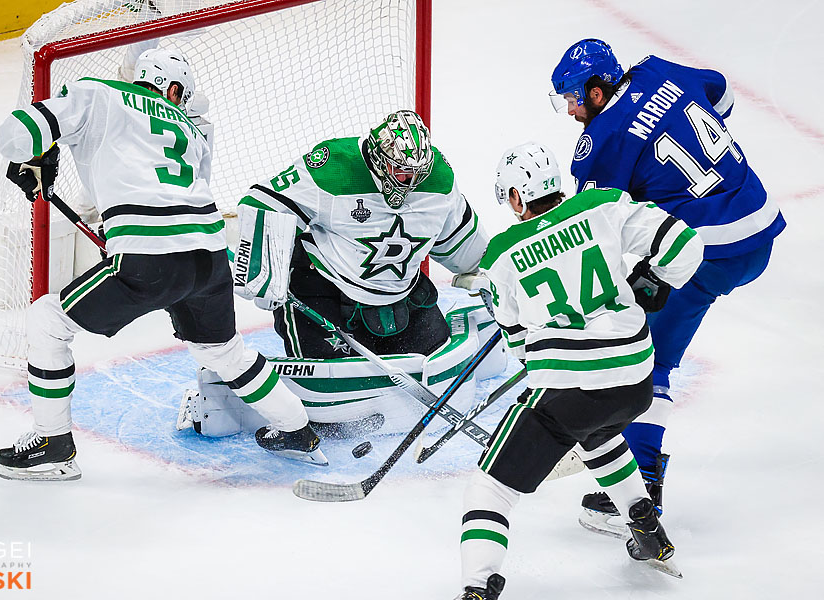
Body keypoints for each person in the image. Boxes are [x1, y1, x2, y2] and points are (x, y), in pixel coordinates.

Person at [0, 47, 326, 481]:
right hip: (209, 257)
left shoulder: (97, 93)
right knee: (223, 351)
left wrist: (38, 153)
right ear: (172, 90)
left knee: (46, 321)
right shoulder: (192, 129)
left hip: (149, 258)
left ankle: (52, 443)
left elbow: (15, 134)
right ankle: (298, 430)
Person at [549, 38, 786, 532]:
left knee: (646, 360)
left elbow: (595, 228)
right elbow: (722, 96)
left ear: (596, 91)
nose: (570, 111)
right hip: (759, 225)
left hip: (707, 251)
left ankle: (640, 494)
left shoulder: (600, 143)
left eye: (572, 98)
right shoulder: (658, 69)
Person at [453, 142, 703, 599]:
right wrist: (655, 279)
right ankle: (645, 526)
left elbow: (519, 347)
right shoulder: (602, 205)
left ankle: (476, 587)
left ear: (516, 197)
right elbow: (685, 245)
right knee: (597, 432)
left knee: (491, 488)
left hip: (570, 389)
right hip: (635, 379)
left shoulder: (500, 255)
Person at [235, 109, 488, 359]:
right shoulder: (333, 167)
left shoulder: (438, 179)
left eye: (417, 173)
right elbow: (263, 203)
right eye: (400, 170)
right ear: (379, 157)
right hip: (327, 295)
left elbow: (460, 238)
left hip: (403, 297)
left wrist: (488, 270)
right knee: (331, 371)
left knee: (437, 359)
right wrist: (264, 272)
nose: (410, 181)